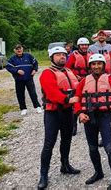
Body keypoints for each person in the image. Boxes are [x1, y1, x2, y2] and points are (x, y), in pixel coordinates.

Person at [74, 54, 111, 190]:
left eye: (99, 64)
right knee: (92, 148)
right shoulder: (84, 81)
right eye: (93, 64)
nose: (96, 66)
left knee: (110, 149)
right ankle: (98, 172)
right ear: (90, 66)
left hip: (104, 117)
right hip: (88, 118)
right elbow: (77, 99)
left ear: (103, 65)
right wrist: (80, 113)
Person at [37, 46, 81, 189]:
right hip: (53, 113)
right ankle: (43, 175)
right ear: (52, 57)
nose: (62, 56)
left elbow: (78, 88)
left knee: (67, 140)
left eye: (64, 54)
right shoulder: (47, 73)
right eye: (58, 55)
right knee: (49, 144)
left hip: (67, 112)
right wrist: (68, 100)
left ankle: (65, 165)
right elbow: (52, 93)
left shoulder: (69, 71)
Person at [6, 44, 42, 115]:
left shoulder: (29, 56)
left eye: (20, 48)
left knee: (33, 93)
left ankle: (37, 107)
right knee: (20, 94)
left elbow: (35, 63)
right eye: (17, 49)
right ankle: (23, 108)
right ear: (14, 50)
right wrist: (17, 71)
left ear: (22, 49)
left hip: (29, 78)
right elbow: (8, 67)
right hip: (18, 79)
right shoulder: (12, 59)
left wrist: (35, 69)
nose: (19, 50)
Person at [65, 37, 91, 136]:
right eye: (82, 45)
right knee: (76, 102)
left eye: (86, 45)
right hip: (77, 82)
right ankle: (74, 125)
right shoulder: (73, 56)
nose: (84, 47)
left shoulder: (91, 55)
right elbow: (67, 68)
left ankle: (88, 121)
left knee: (88, 102)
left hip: (88, 81)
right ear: (79, 46)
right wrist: (75, 76)